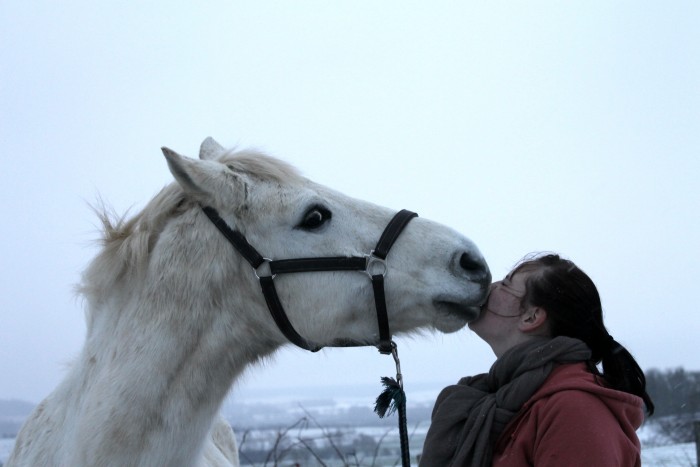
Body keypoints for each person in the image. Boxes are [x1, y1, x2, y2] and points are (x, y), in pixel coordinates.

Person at [419, 253, 654, 467]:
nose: (490, 287)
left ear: (531, 317)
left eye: (505, 284)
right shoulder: (511, 400)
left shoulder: (574, 410)